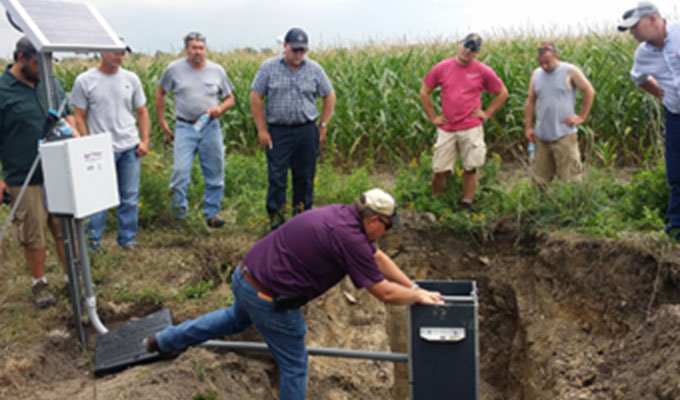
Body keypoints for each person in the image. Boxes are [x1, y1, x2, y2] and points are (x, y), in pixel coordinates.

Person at [143, 188, 444, 400]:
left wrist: (413, 287)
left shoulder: (342, 215)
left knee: (231, 320)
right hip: (268, 298)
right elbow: (384, 294)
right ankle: (166, 341)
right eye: (388, 227)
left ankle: (164, 341)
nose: (386, 233)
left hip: (245, 276)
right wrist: (416, 298)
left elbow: (377, 258)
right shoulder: (350, 238)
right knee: (295, 365)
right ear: (375, 220)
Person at [0, 36, 79, 308]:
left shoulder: (50, 83)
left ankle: (73, 279)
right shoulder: (3, 90)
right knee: (33, 231)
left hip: (58, 170)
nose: (44, 69)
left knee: (64, 228)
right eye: (38, 63)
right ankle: (40, 283)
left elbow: (66, 113)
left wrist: (75, 134)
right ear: (21, 58)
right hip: (23, 174)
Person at [250, 27, 336, 230]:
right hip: (278, 131)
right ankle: (277, 223)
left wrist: (322, 126)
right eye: (295, 49)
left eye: (302, 50)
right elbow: (256, 96)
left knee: (305, 177)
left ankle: (302, 222)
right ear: (285, 46)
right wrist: (262, 130)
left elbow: (329, 95)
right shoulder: (269, 67)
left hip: (306, 130)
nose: (299, 54)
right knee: (277, 178)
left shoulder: (314, 68)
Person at [71, 46, 150, 251]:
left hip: (129, 146)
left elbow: (141, 111)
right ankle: (92, 244)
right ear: (102, 52)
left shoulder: (131, 79)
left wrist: (145, 140)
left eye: (123, 53)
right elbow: (78, 114)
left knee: (130, 197)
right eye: (115, 52)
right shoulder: (85, 81)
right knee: (98, 199)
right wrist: (86, 143)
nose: (120, 57)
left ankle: (127, 239)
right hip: (100, 150)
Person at [419, 33, 508, 210]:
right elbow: (424, 92)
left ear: (477, 53)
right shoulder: (442, 68)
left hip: (471, 128)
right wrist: (433, 117)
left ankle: (466, 203)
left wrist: (487, 113)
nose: (468, 50)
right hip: (447, 128)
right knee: (439, 170)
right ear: (460, 44)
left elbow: (502, 93)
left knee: (471, 168)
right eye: (467, 45)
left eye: (473, 48)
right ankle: (438, 203)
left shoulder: (483, 71)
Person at [155, 32, 235, 228]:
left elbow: (230, 98)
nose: (198, 52)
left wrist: (220, 108)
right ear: (186, 50)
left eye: (201, 48)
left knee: (215, 172)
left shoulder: (217, 70)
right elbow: (160, 92)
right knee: (180, 172)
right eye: (194, 48)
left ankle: (212, 213)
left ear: (205, 50)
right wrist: (162, 121)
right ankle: (179, 216)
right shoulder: (174, 70)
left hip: (210, 127)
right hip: (185, 126)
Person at [618, 2, 680, 237]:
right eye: (630, 30)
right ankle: (677, 228)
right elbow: (639, 78)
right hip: (675, 116)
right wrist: (659, 93)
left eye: (635, 27)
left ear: (653, 19)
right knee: (676, 174)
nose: (633, 33)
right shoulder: (643, 53)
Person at [524, 42, 595, 184]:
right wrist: (528, 127)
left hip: (564, 135)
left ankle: (571, 205)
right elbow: (530, 100)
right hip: (542, 136)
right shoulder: (536, 74)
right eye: (540, 63)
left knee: (571, 180)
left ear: (556, 56)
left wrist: (581, 117)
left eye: (547, 62)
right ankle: (540, 205)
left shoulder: (570, 71)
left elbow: (589, 91)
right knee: (539, 180)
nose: (544, 66)